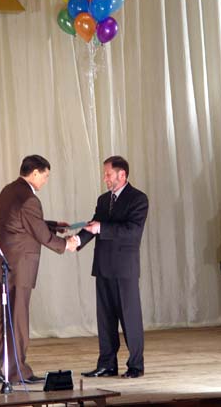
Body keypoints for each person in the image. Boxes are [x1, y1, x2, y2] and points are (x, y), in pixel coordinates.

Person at [0, 155, 77, 385]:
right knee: (17, 319)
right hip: (17, 268)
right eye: (45, 176)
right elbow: (39, 232)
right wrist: (65, 244)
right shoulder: (30, 199)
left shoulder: (9, 190)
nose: (45, 181)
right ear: (35, 173)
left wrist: (53, 225)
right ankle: (17, 372)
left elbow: (21, 222)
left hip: (0, 265)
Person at [77, 156, 148, 379]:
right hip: (103, 266)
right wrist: (76, 241)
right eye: (105, 174)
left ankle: (136, 365)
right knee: (105, 319)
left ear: (122, 175)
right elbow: (94, 225)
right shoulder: (103, 200)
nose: (105, 178)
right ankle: (107, 364)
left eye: (108, 174)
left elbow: (132, 231)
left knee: (130, 318)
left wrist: (102, 228)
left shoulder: (138, 199)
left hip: (125, 269)